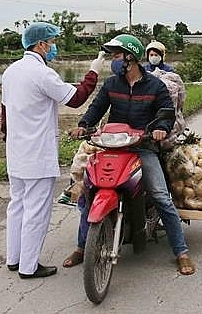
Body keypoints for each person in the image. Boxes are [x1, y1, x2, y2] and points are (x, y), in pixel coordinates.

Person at [67, 34, 195, 276]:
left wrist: (160, 129)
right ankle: (83, 246)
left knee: (160, 195)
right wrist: (84, 124)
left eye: (116, 55)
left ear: (131, 57)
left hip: (143, 146)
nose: (113, 61)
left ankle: (181, 251)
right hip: (112, 147)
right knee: (88, 192)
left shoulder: (155, 85)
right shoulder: (112, 84)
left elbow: (166, 112)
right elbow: (97, 108)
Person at [0, 22, 105, 279]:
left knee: (17, 206)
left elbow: (4, 115)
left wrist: (10, 140)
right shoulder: (42, 74)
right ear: (41, 44)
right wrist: (94, 70)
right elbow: (77, 98)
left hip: (16, 153)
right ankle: (28, 266)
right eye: (52, 41)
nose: (54, 46)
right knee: (36, 210)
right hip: (37, 154)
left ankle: (14, 259)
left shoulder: (11, 72)